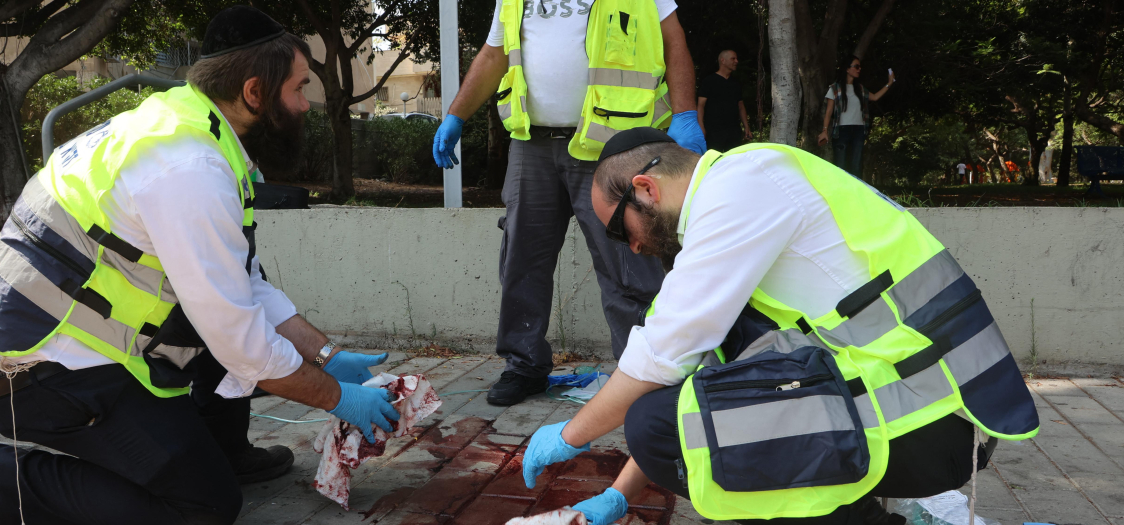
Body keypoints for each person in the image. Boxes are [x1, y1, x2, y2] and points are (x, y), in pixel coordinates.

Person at [0, 6, 401, 524]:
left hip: (83, 350)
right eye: (299, 87)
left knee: (229, 349)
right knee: (203, 505)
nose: (306, 103)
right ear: (255, 92)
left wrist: (326, 355)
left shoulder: (196, 130)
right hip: (32, 371)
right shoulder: (187, 165)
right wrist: (336, 398)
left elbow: (242, 285)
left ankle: (219, 454)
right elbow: (241, 341)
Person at [517, 129, 1041, 525]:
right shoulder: (742, 205)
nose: (631, 247)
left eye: (618, 231)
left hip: (932, 421)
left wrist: (571, 434)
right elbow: (689, 366)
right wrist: (619, 494)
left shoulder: (741, 189)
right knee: (700, 392)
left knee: (659, 426)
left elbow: (662, 356)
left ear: (645, 188)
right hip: (910, 405)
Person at [431, 0, 706, 406]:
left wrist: (685, 113)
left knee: (631, 258)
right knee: (522, 258)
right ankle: (524, 365)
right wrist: (457, 114)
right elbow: (494, 54)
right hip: (532, 143)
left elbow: (673, 40)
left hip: (611, 146)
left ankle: (647, 371)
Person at [818, 55, 895, 177]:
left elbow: (874, 97)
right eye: (856, 66)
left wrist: (889, 83)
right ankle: (839, 194)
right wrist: (825, 131)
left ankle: (854, 194)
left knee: (856, 166)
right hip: (841, 131)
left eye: (860, 67)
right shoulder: (835, 88)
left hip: (859, 130)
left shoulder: (860, 89)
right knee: (840, 166)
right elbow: (829, 112)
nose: (859, 69)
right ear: (847, 69)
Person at [697, 48, 752, 152]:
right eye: (733, 59)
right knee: (714, 161)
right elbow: (700, 106)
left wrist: (746, 127)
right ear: (723, 60)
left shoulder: (735, 83)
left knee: (734, 160)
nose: (736, 61)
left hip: (734, 130)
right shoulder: (709, 81)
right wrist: (701, 127)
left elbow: (740, 106)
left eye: (736, 59)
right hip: (713, 130)